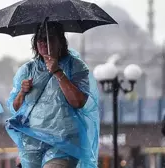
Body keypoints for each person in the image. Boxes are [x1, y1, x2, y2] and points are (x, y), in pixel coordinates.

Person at [6, 23, 100, 168]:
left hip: (64, 140)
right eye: (40, 39)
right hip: (32, 141)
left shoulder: (75, 66)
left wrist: (58, 72)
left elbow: (78, 102)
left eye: (49, 38)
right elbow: (15, 107)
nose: (44, 42)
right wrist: (22, 92)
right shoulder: (27, 69)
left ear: (60, 42)